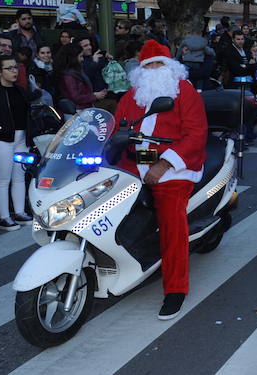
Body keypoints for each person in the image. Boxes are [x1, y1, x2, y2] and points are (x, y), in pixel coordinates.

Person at [113, 40, 208, 320]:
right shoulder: (132, 96)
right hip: (134, 162)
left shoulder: (185, 92)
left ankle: (175, 288)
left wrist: (165, 164)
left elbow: (196, 135)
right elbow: (117, 127)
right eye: (148, 65)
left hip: (175, 165)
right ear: (140, 71)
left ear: (170, 67)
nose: (154, 69)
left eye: (159, 64)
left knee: (171, 218)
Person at [0, 55, 37, 232]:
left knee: (19, 178)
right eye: (9, 68)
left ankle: (19, 212)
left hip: (20, 139)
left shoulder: (19, 90)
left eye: (15, 68)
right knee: (3, 180)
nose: (14, 71)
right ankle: (4, 217)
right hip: (2, 140)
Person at [54, 44, 107, 110]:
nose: (82, 59)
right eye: (80, 56)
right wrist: (94, 96)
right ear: (73, 58)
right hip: (77, 111)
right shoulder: (69, 76)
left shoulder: (75, 72)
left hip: (82, 109)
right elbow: (75, 97)